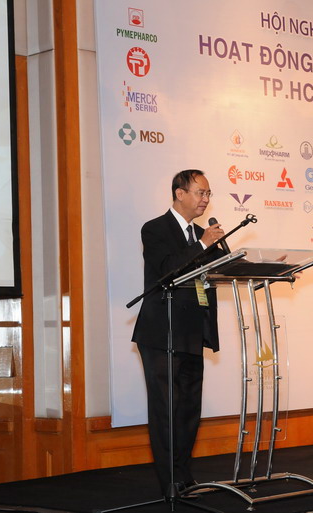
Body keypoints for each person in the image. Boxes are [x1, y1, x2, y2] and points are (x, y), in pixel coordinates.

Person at [132, 169, 225, 497]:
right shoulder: (155, 229)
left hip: (192, 332)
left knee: (188, 410)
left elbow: (221, 269)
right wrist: (203, 244)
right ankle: (169, 481)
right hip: (161, 334)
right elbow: (168, 269)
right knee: (166, 410)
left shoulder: (202, 234)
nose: (205, 199)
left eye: (208, 193)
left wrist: (262, 267)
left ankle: (185, 476)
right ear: (179, 193)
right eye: (200, 192)